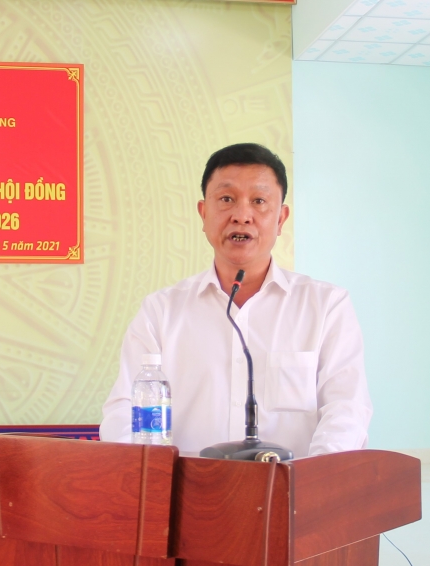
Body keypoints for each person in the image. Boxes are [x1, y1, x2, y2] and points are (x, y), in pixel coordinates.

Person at [99, 143, 371, 457]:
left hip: (292, 484)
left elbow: (346, 409)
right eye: (226, 199)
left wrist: (310, 480)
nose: (242, 216)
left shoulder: (326, 307)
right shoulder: (160, 312)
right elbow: (123, 411)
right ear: (203, 213)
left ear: (281, 219)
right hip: (188, 485)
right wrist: (152, 476)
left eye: (259, 201)